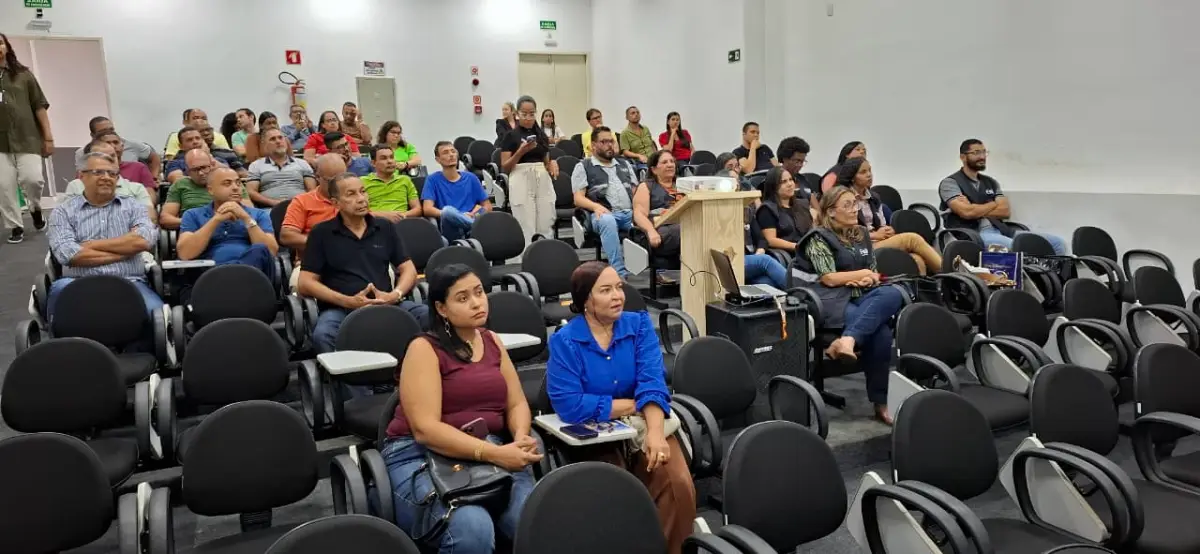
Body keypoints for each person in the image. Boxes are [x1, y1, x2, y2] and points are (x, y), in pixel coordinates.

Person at [383, 264, 539, 554]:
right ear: (442, 308)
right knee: (472, 527)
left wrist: (518, 436)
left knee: (531, 521)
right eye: (463, 298)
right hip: (420, 455)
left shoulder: (491, 340)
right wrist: (495, 453)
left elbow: (516, 402)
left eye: (479, 292)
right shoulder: (424, 348)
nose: (477, 302)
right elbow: (425, 430)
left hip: (490, 448)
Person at [545, 262, 697, 554]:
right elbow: (570, 404)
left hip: (647, 422)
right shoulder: (565, 340)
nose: (618, 296)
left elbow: (652, 383)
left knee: (676, 483)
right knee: (615, 494)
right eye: (605, 290)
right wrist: (631, 404)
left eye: (619, 287)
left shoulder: (638, 325)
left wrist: (654, 434)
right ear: (585, 301)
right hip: (596, 434)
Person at [800, 186, 905, 424]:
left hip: (860, 294)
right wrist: (863, 274)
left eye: (854, 204)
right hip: (828, 299)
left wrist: (870, 277)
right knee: (881, 332)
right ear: (831, 212)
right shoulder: (818, 238)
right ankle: (881, 402)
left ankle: (847, 340)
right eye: (846, 205)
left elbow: (874, 271)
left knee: (893, 294)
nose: (853, 209)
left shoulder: (861, 233)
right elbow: (828, 277)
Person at [299, 172, 430, 353]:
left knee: (431, 317)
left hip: (387, 302)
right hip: (341, 309)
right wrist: (347, 301)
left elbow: (408, 268)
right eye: (351, 194)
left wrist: (395, 294)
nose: (361, 199)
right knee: (324, 335)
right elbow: (305, 283)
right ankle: (346, 381)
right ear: (335, 203)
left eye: (363, 192)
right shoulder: (321, 233)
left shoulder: (384, 227)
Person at [46, 152, 161, 319]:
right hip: (77, 282)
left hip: (130, 281)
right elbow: (69, 254)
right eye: (98, 172)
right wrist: (126, 253)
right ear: (82, 176)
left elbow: (143, 241)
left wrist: (91, 245)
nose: (107, 177)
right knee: (60, 315)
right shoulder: (63, 212)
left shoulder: (134, 207)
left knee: (157, 316)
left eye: (112, 173)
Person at [939, 139, 1068, 254]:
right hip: (974, 234)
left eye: (984, 152)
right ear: (963, 157)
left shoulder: (990, 182)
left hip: (1003, 231)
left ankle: (1052, 279)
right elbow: (966, 212)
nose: (982, 156)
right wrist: (993, 204)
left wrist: (975, 207)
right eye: (976, 153)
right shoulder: (950, 183)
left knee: (1057, 243)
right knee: (1020, 248)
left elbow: (1005, 211)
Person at [837, 158, 942, 274]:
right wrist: (874, 234)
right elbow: (844, 231)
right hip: (859, 246)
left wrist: (887, 230)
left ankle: (925, 290)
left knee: (917, 260)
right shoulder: (843, 198)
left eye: (870, 171)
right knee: (912, 239)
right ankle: (950, 274)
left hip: (878, 241)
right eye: (863, 172)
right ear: (852, 177)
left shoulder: (873, 197)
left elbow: (881, 223)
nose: (869, 175)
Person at [176, 167, 279, 280]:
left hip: (252, 279)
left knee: (259, 249)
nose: (235, 188)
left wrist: (246, 218)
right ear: (211, 190)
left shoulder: (259, 214)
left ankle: (233, 276)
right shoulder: (193, 214)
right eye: (227, 183)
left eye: (238, 183)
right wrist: (216, 220)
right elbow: (185, 254)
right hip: (211, 277)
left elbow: (270, 251)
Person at [0, 33, 53, 244]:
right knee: (4, 185)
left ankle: (35, 208)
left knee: (33, 180)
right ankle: (14, 225)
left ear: (7, 47)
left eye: (0, 43)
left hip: (27, 137)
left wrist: (48, 138)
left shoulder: (23, 75)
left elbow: (39, 105)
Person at [572, 126, 639, 278]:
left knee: (649, 220)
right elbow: (578, 198)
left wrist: (641, 211)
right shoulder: (584, 166)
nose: (610, 145)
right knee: (607, 221)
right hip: (603, 213)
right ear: (594, 145)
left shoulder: (625, 164)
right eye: (604, 141)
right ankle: (619, 273)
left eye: (611, 141)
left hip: (629, 213)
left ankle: (658, 270)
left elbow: (636, 192)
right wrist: (596, 207)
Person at [500, 95, 558, 244]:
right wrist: (520, 152)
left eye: (531, 114)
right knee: (525, 221)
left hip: (541, 176)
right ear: (517, 114)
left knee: (546, 219)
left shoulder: (541, 135)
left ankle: (545, 254)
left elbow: (546, 160)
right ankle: (527, 258)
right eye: (524, 114)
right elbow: (505, 167)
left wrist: (552, 163)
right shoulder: (510, 136)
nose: (528, 118)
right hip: (520, 176)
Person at [281, 154, 344, 291]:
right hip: (313, 263)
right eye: (331, 181)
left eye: (342, 178)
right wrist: (323, 242)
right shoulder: (302, 201)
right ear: (317, 177)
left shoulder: (353, 199)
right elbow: (287, 235)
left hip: (355, 259)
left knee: (386, 273)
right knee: (298, 285)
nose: (339, 185)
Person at [726, 167, 788, 289]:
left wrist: (760, 250)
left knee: (769, 283)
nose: (736, 184)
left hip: (750, 260)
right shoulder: (715, 211)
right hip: (728, 261)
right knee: (765, 261)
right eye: (732, 180)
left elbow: (761, 239)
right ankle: (802, 293)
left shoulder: (745, 210)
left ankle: (796, 304)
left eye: (737, 181)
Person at [65, 140, 155, 223]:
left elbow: (148, 222)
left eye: (112, 156)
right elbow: (65, 222)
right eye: (101, 156)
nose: (109, 161)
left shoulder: (136, 189)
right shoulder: (75, 186)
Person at [161, 150, 251, 230]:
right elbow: (166, 219)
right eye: (195, 170)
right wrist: (199, 221)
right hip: (195, 231)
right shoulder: (180, 184)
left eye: (204, 167)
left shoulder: (231, 181)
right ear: (187, 171)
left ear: (212, 165)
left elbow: (251, 212)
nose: (200, 173)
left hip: (234, 228)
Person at [422, 141, 491, 242]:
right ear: (438, 159)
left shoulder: (471, 178)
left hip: (470, 223)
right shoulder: (432, 180)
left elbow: (487, 206)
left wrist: (474, 215)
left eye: (453, 151)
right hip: (451, 229)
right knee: (447, 211)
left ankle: (472, 225)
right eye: (445, 153)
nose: (451, 155)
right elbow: (427, 209)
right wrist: (458, 216)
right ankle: (476, 226)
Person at [632, 150, 682, 281]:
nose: (670, 165)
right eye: (665, 162)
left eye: (672, 161)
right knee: (683, 230)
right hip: (659, 232)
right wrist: (651, 231)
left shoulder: (682, 185)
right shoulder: (646, 186)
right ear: (654, 169)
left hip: (684, 226)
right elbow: (639, 214)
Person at [245, 127, 316, 207]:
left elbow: (312, 190)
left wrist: (299, 203)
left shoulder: (302, 163)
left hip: (301, 207)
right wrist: (273, 202)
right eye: (272, 139)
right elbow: (251, 192)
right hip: (270, 209)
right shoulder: (256, 165)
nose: (278, 141)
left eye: (280, 138)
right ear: (265, 144)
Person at [73, 116, 160, 176]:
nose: (109, 133)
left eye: (111, 129)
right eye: (103, 131)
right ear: (93, 135)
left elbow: (154, 158)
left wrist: (154, 177)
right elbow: (81, 176)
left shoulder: (132, 146)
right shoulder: (83, 152)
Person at [756, 167, 813, 255]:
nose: (790, 184)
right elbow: (770, 240)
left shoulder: (802, 204)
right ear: (773, 186)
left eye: (791, 180)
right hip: (789, 253)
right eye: (784, 182)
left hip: (809, 249)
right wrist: (797, 246)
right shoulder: (767, 209)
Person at [363, 144, 421, 221]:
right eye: (383, 158)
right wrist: (384, 215)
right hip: (375, 223)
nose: (390, 161)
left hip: (401, 222)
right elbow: (358, 211)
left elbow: (417, 209)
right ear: (373, 163)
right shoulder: (362, 181)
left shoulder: (405, 180)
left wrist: (401, 215)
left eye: (391, 157)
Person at [93, 130, 157, 201]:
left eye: (115, 142)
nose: (113, 146)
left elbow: (151, 196)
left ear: (122, 146)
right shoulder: (90, 171)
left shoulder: (139, 167)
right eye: (108, 143)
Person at [164, 108, 229, 158]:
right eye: (195, 118)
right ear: (185, 122)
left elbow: (228, 155)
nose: (200, 120)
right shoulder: (175, 136)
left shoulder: (219, 136)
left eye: (204, 118)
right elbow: (170, 160)